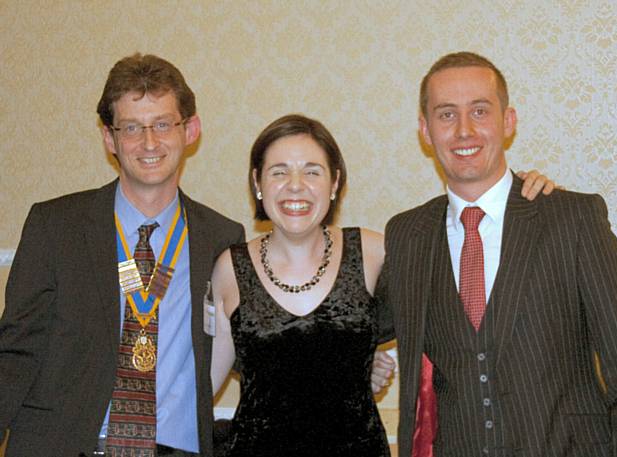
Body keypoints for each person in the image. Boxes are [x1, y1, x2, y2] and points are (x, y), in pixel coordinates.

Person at [210, 114, 554, 456]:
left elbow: (465, 263)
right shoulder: (229, 267)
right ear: (258, 182)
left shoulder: (376, 252)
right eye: (279, 172)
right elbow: (205, 383)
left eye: (312, 171)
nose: (295, 184)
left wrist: (515, 196)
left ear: (334, 183)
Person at [377, 51, 617, 457]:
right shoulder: (407, 234)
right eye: (446, 115)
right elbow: (348, 328)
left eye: (479, 111)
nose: (464, 130)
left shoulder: (572, 218)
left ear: (508, 121)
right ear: (425, 130)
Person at [0, 53, 244, 457]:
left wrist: (350, 363)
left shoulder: (221, 237)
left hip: (175, 447)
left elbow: (259, 343)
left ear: (191, 130)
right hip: (65, 445)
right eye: (132, 127)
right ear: (109, 139)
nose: (149, 143)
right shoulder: (55, 226)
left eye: (163, 124)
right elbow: (15, 352)